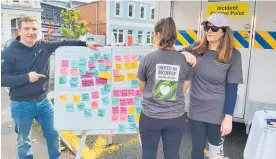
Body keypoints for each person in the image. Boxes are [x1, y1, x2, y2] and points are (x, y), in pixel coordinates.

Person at [1, 16, 101, 159]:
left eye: (34, 28)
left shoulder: (43, 45)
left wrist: (85, 44)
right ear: (19, 31)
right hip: (21, 104)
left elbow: (64, 42)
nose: (31, 32)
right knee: (24, 141)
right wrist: (27, 77)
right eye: (27, 28)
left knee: (54, 134)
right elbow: (3, 79)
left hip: (44, 102)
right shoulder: (9, 51)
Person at [179, 13, 243, 159]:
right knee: (197, 148)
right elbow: (173, 54)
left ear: (224, 32)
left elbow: (232, 89)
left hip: (217, 111)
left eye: (214, 28)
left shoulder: (233, 55)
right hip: (196, 109)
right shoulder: (196, 47)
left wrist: (228, 117)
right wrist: (184, 54)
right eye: (207, 27)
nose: (209, 31)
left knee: (215, 151)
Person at [137, 17, 193, 159]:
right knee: (172, 155)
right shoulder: (186, 61)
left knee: (149, 154)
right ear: (174, 36)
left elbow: (141, 88)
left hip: (150, 116)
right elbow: (182, 90)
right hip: (175, 117)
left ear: (157, 34)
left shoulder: (148, 59)